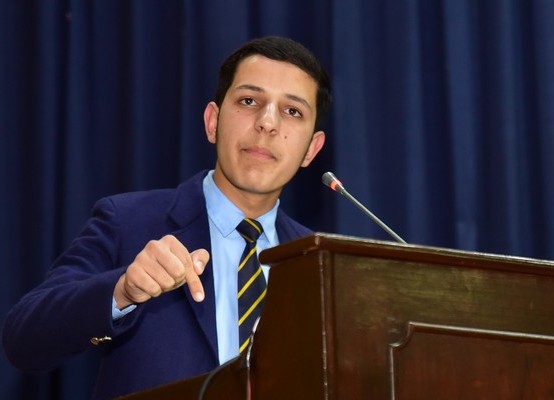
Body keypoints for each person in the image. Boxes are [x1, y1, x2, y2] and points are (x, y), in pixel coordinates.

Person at [1, 36, 331, 399]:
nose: (267, 123)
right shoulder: (127, 221)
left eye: (292, 111)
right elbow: (23, 339)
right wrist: (121, 291)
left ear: (311, 150)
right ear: (213, 122)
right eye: (249, 101)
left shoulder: (319, 263)